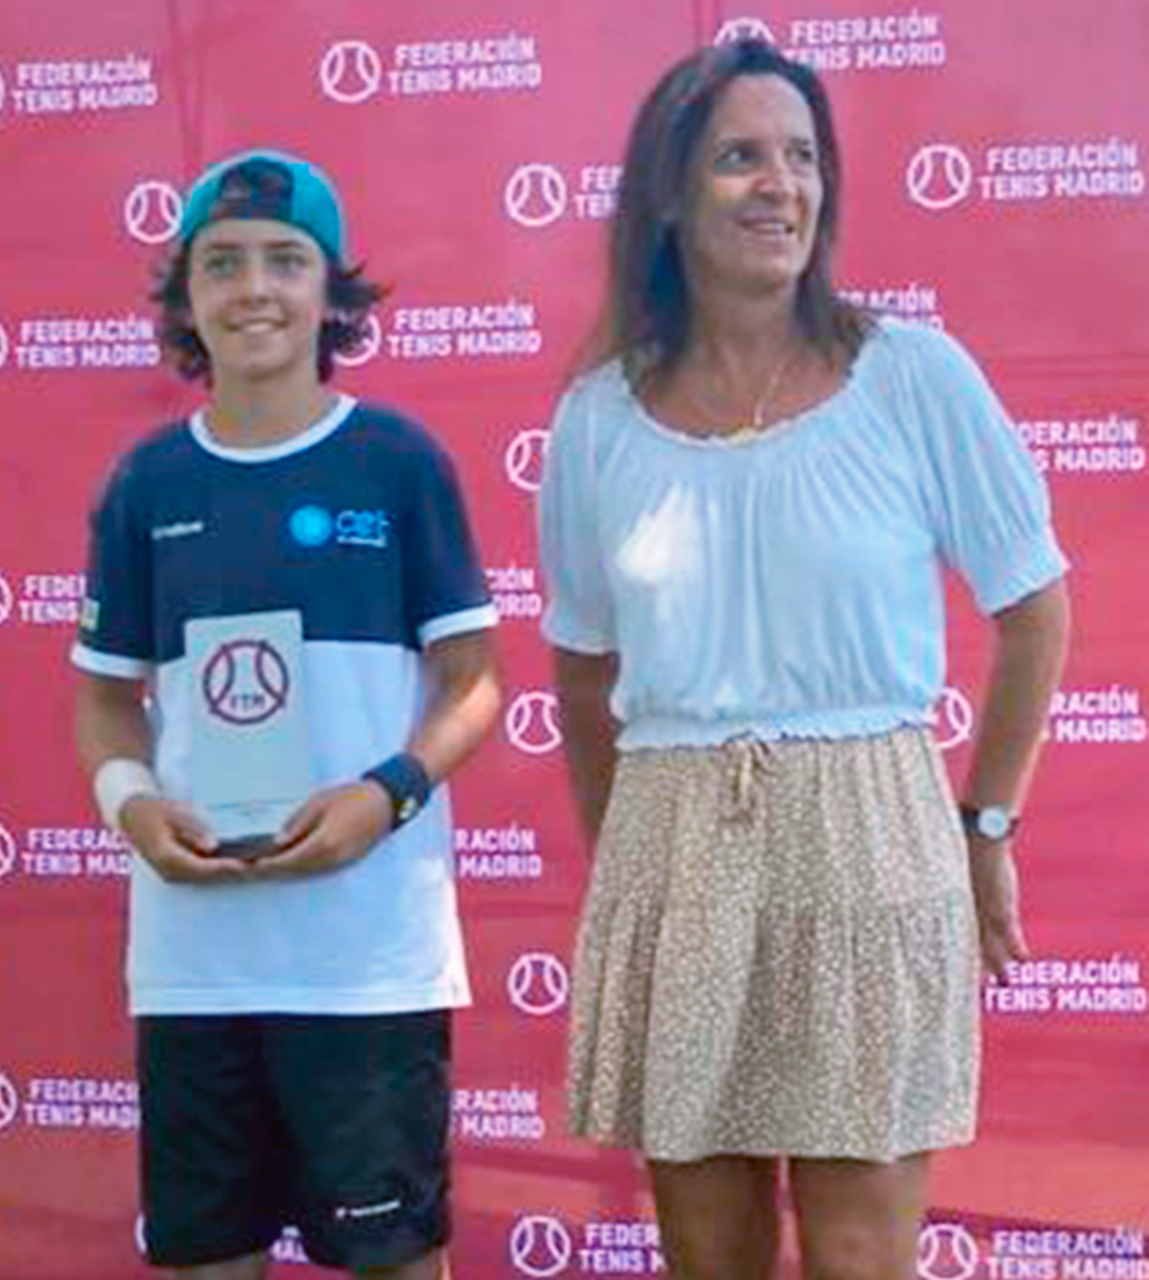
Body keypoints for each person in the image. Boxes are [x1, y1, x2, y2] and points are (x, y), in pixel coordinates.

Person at [536, 39, 1071, 1280]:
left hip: (870, 840)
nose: (780, 185)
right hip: (673, 850)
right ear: (671, 195)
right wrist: (631, 860)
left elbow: (1036, 608)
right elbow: (582, 668)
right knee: (707, 1253)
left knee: (858, 1254)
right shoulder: (596, 418)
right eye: (740, 157)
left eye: (802, 157)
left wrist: (985, 824)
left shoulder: (912, 376)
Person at [71, 149, 503, 1280]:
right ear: (187, 297)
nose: (253, 287)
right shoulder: (146, 484)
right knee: (208, 1259)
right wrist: (133, 807)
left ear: (330, 291)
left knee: (393, 1259)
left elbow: (475, 682)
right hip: (198, 960)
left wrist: (384, 795)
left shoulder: (398, 462)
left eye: (284, 260)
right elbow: (105, 698)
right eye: (221, 263)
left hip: (367, 959)